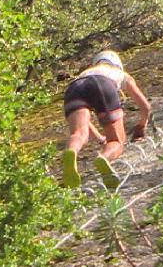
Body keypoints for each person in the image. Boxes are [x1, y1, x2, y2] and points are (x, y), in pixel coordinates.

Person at [62, 50, 151, 188]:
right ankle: (103, 157)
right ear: (118, 64)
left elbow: (86, 123)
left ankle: (71, 151)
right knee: (116, 141)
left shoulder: (85, 73)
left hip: (74, 88)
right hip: (103, 85)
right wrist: (141, 126)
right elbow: (145, 106)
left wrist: (99, 138)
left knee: (79, 133)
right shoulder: (121, 74)